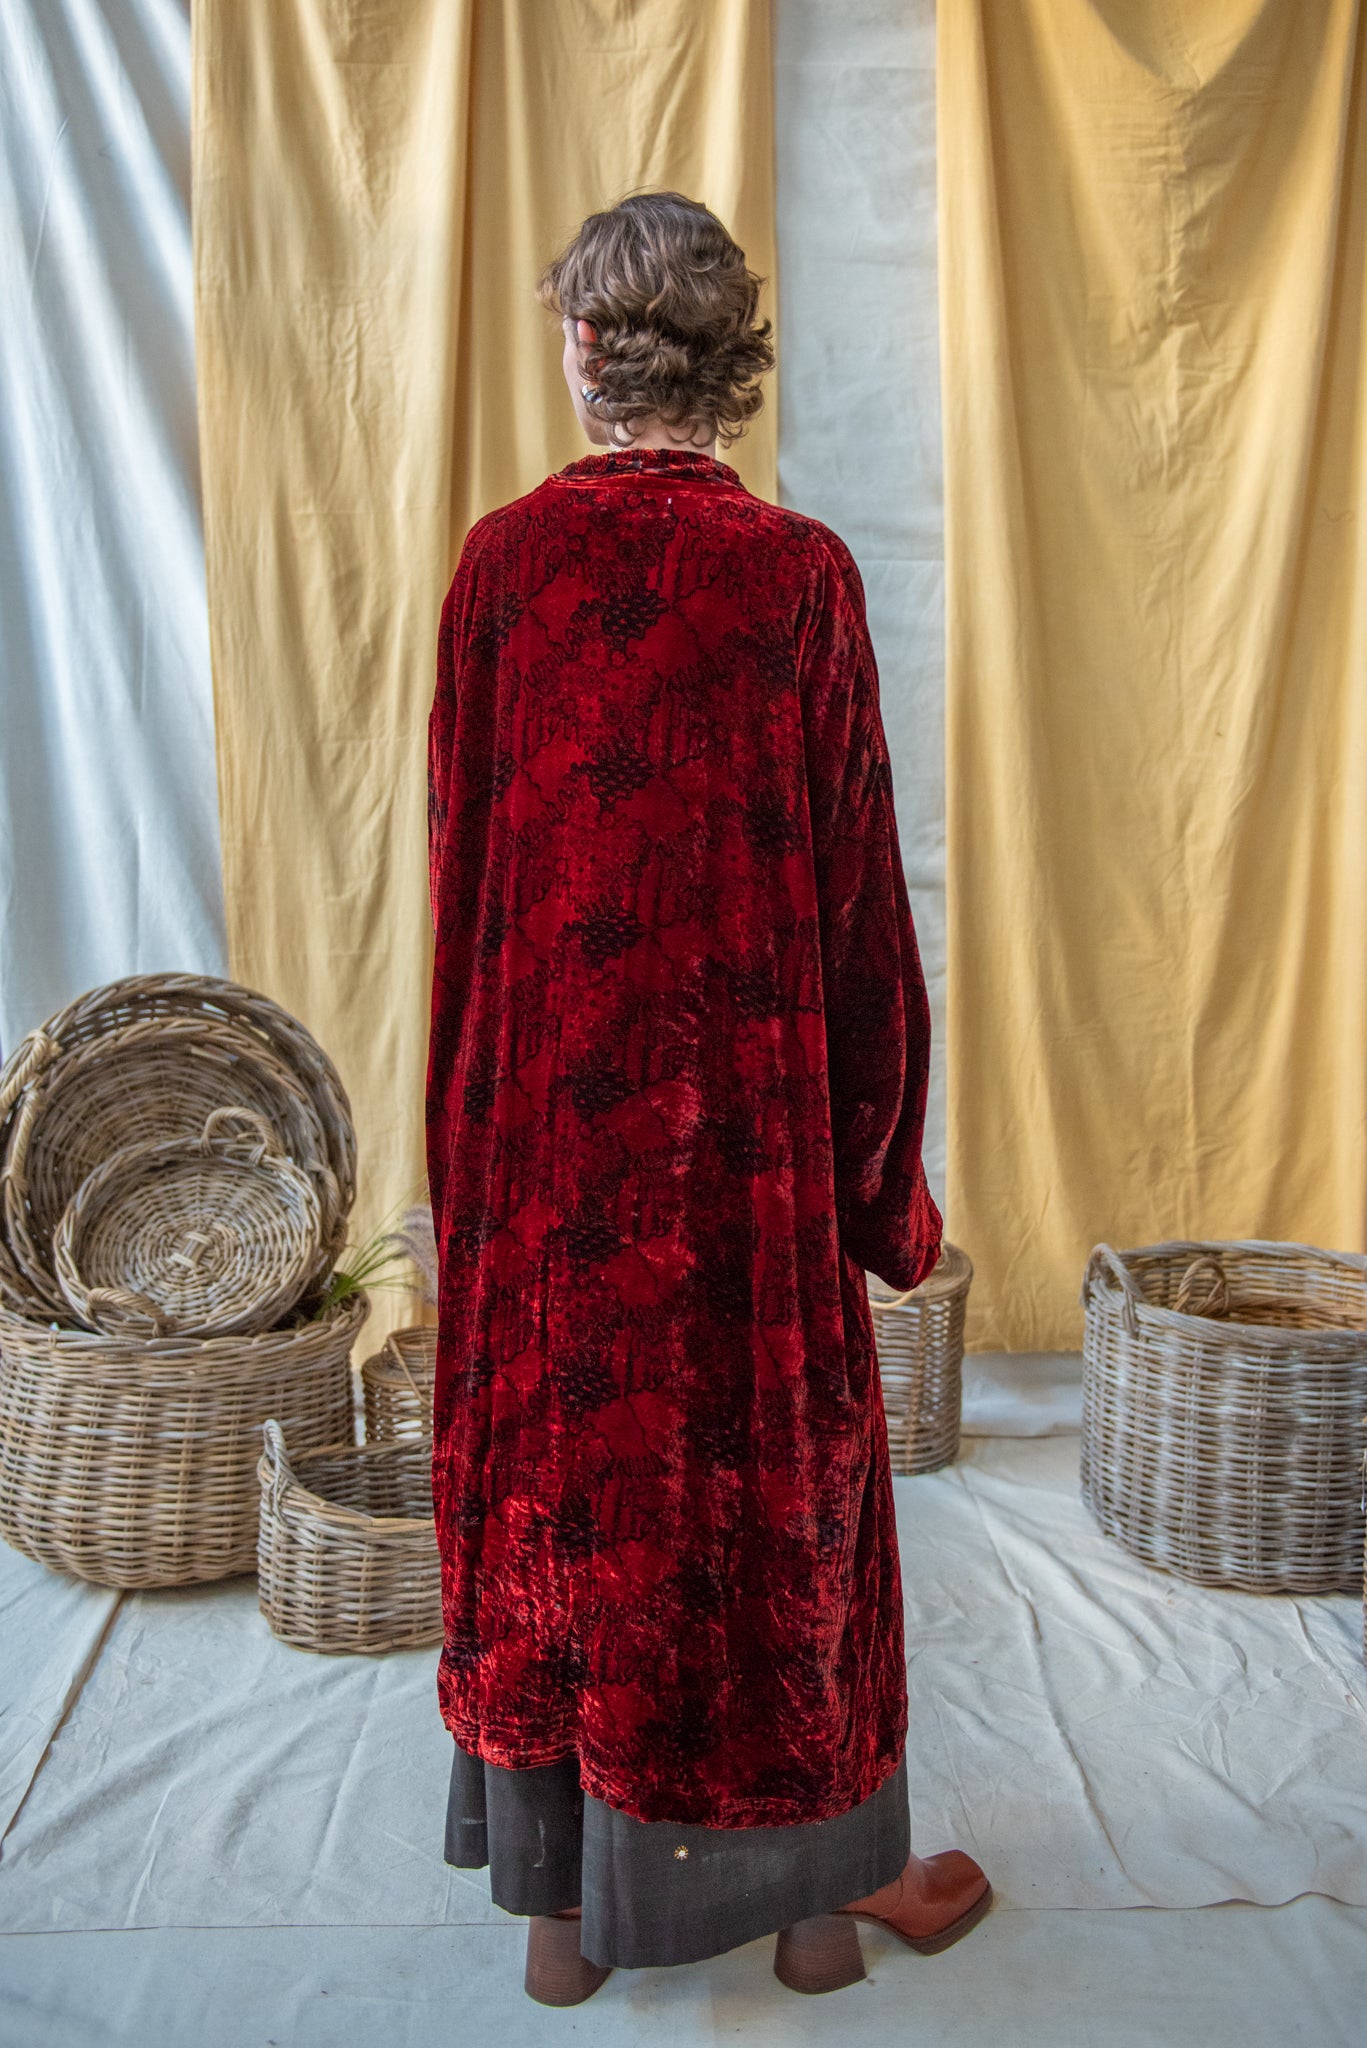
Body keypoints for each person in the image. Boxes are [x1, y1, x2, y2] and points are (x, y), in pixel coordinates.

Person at [425, 189, 990, 2005]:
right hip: (740, 1170)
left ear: (586, 349)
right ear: (732, 360)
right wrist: (879, 1198)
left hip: (543, 1169)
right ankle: (819, 1912)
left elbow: (463, 891)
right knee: (770, 1508)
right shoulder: (798, 578)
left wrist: (465, 1191)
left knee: (558, 1506)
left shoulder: (500, 569)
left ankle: (561, 1924)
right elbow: (861, 915)